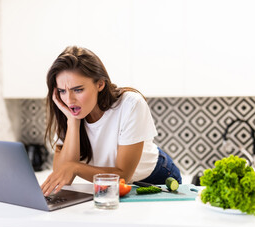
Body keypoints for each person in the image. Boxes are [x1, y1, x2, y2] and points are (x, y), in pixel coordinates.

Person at [41, 46, 182, 196]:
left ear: (100, 84)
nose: (69, 99)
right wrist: (73, 121)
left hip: (156, 178)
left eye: (78, 90)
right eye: (62, 91)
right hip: (107, 186)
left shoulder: (130, 105)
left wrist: (75, 167)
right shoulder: (67, 112)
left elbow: (124, 175)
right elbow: (62, 176)